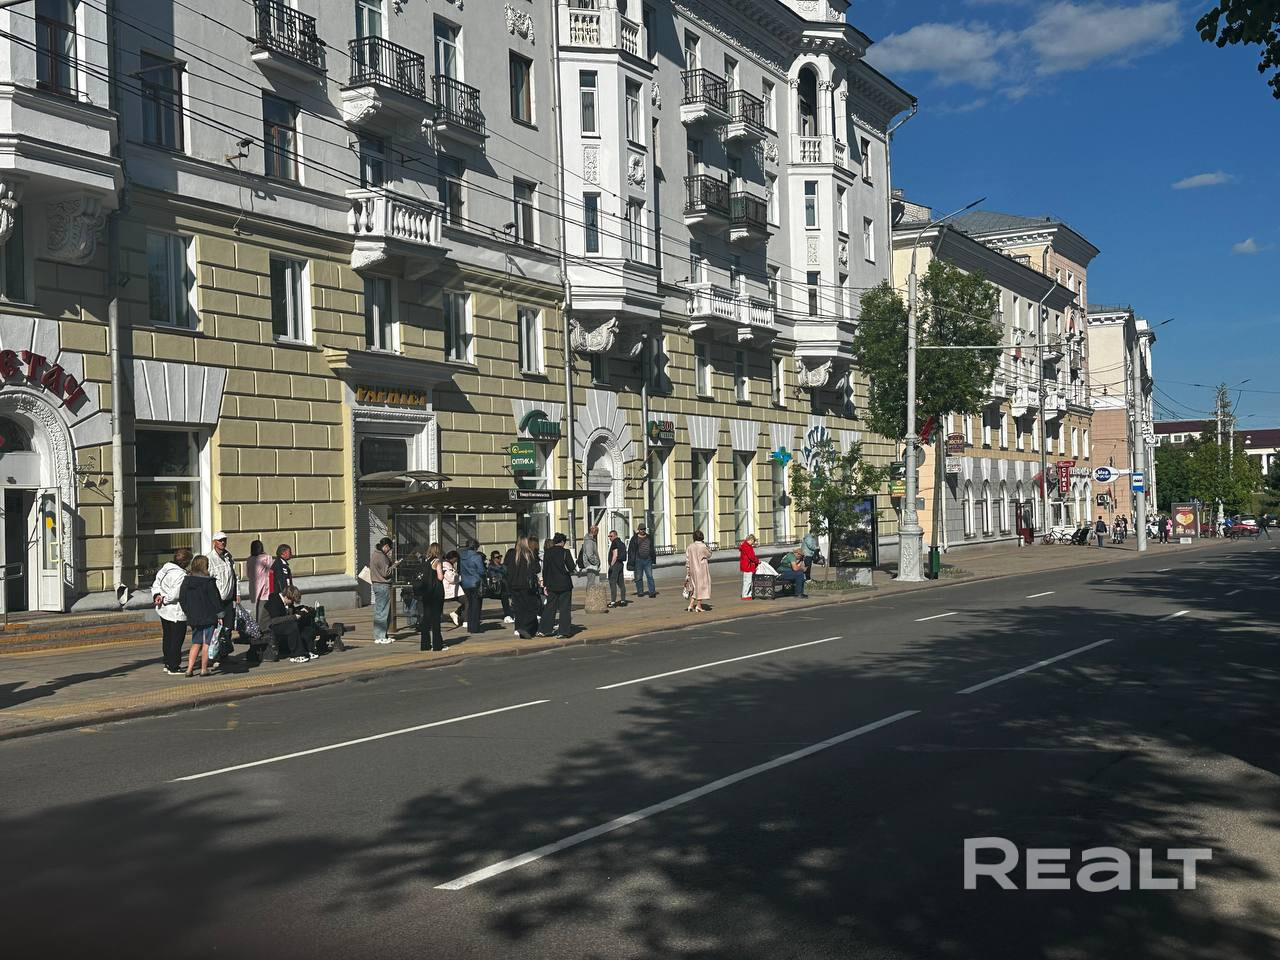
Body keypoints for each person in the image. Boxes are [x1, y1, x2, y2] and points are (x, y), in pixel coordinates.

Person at [178, 555, 223, 677]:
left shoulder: (187, 581)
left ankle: (189, 669)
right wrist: (220, 614)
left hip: (194, 617)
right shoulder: (209, 582)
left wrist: (188, 612)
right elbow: (215, 600)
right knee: (206, 643)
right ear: (205, 566)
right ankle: (204, 669)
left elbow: (182, 598)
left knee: (196, 642)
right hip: (208, 616)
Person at [151, 547, 192, 675]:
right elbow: (175, 594)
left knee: (167, 637)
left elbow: (156, 584)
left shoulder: (165, 569)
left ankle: (167, 663)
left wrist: (157, 596)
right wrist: (164, 599)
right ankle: (174, 666)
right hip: (176, 612)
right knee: (177, 640)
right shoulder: (181, 575)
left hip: (163, 610)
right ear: (185, 562)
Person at [206, 532, 238, 664]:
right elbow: (208, 581)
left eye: (224, 540)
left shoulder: (228, 557)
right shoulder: (209, 559)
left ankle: (224, 655)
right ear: (214, 542)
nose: (223, 542)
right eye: (220, 540)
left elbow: (234, 577)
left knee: (228, 628)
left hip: (229, 599)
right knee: (215, 630)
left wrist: (237, 594)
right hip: (217, 601)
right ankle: (212, 656)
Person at [264, 585, 317, 663]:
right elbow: (274, 620)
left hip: (280, 624)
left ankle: (308, 650)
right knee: (292, 626)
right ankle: (296, 655)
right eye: (292, 601)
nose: (292, 603)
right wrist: (294, 617)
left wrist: (301, 610)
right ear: (286, 597)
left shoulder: (287, 602)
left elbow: (290, 613)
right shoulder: (274, 600)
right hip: (269, 627)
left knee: (303, 623)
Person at [542, 532, 577, 638]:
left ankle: (544, 630)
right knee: (564, 608)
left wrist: (545, 584)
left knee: (549, 607)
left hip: (551, 584)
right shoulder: (565, 552)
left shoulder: (547, 552)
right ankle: (563, 631)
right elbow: (571, 567)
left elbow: (545, 570)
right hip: (564, 584)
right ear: (562, 542)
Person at [414, 543, 448, 653]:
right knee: (436, 619)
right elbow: (440, 577)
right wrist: (443, 572)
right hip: (436, 593)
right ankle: (437, 645)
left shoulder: (426, 561)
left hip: (427, 592)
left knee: (426, 618)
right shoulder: (437, 562)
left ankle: (425, 645)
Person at [507, 537, 541, 639]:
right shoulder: (529, 554)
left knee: (519, 608)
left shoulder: (512, 555)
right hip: (527, 586)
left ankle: (520, 628)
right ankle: (525, 628)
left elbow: (508, 570)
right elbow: (537, 569)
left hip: (514, 585)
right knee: (532, 607)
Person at [369, 537, 396, 643]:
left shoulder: (375, 554)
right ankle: (380, 636)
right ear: (386, 546)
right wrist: (394, 566)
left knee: (381, 611)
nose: (389, 551)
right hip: (382, 585)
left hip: (377, 584)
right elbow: (386, 573)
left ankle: (383, 635)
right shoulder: (381, 556)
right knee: (382, 612)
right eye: (389, 548)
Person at [459, 539, 486, 633]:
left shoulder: (462, 557)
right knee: (476, 605)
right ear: (475, 547)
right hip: (475, 583)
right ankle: (474, 627)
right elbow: (481, 571)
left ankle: (470, 626)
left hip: (465, 583)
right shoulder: (476, 557)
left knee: (469, 604)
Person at [684, 530, 712, 613]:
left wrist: (688, 571)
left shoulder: (690, 547)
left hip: (692, 569)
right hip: (701, 569)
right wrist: (707, 546)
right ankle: (699, 606)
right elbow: (709, 554)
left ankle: (691, 605)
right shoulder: (703, 546)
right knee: (701, 588)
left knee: (695, 587)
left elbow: (687, 560)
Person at [246, 539, 272, 628]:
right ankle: (261, 628)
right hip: (265, 587)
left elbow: (248, 574)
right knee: (264, 610)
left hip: (254, 587)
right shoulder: (267, 558)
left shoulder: (249, 559)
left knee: (257, 608)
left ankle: (257, 627)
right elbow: (270, 572)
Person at [487, 550, 513, 623]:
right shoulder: (491, 567)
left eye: (500, 556)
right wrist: (501, 575)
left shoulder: (503, 566)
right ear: (493, 559)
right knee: (505, 597)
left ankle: (510, 614)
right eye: (497, 557)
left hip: (505, 587)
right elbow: (494, 577)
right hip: (497, 588)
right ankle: (508, 615)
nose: (499, 558)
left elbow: (507, 573)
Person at [631, 526, 657, 598]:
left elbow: (652, 548)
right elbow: (631, 550)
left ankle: (652, 592)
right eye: (641, 529)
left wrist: (653, 558)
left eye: (644, 529)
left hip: (648, 559)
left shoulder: (649, 537)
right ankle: (640, 592)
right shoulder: (634, 538)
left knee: (650, 576)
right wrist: (631, 560)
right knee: (639, 577)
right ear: (638, 530)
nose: (643, 530)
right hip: (638, 560)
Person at [442, 550, 464, 627]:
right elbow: (452, 578)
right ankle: (459, 615)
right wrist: (461, 578)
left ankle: (457, 614)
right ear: (453, 558)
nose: (456, 561)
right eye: (456, 559)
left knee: (467, 601)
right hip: (450, 589)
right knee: (467, 601)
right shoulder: (446, 565)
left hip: (453, 589)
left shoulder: (449, 564)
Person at [606, 530, 628, 608]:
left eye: (611, 536)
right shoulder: (621, 543)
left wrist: (611, 565)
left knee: (612, 582)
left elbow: (615, 555)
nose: (610, 538)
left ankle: (613, 602)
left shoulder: (615, 543)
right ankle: (623, 601)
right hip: (620, 564)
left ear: (615, 535)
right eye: (609, 536)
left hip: (615, 565)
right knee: (621, 583)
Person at [739, 533, 759, 600]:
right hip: (748, 566)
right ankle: (745, 595)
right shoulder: (747, 547)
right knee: (748, 581)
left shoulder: (744, 545)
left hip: (745, 565)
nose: (753, 543)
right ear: (751, 540)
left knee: (746, 581)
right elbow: (751, 557)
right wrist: (757, 561)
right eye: (753, 542)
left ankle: (747, 594)